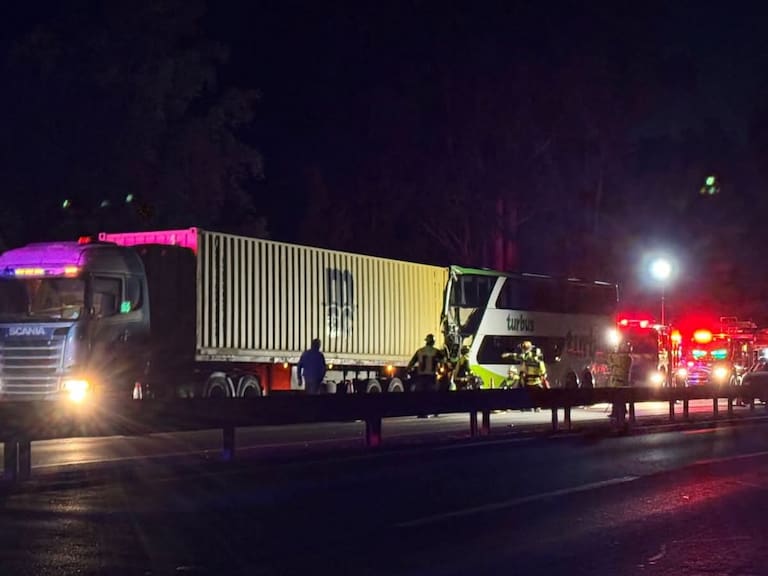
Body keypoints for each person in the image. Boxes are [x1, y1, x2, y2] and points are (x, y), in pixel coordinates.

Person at [520, 346, 547, 411]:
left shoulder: (527, 360)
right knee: (537, 395)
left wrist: (522, 378)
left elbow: (523, 370)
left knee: (530, 394)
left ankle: (530, 406)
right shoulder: (539, 362)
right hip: (537, 381)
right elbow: (543, 372)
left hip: (529, 381)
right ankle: (537, 407)